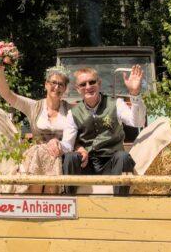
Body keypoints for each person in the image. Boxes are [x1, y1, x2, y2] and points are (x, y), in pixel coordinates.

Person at [0, 59, 72, 194]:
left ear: (65, 89)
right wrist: (0, 68)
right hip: (36, 158)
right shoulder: (34, 106)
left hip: (60, 156)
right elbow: (7, 94)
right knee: (37, 154)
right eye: (53, 83)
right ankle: (33, 204)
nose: (57, 87)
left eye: (61, 84)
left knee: (51, 157)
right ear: (46, 85)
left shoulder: (71, 109)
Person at [60, 66, 146, 195]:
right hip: (87, 164)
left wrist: (135, 93)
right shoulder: (73, 113)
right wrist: (57, 144)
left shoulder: (116, 104)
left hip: (112, 163)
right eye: (83, 84)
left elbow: (137, 122)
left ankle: (121, 203)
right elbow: (67, 144)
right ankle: (70, 202)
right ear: (78, 89)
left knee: (123, 157)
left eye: (92, 82)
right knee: (70, 157)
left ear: (99, 83)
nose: (88, 87)